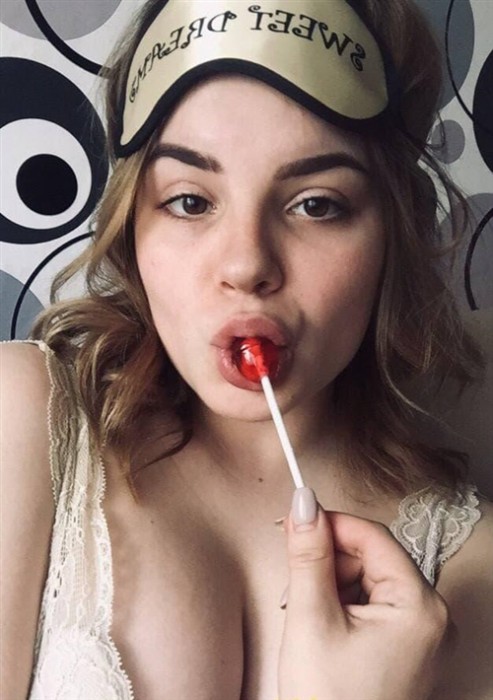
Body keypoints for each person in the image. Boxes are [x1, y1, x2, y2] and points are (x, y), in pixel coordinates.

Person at [1, 0, 492, 698]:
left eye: (315, 204)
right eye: (190, 201)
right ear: (132, 226)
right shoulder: (22, 418)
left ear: (392, 231)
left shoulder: (466, 575)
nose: (246, 264)